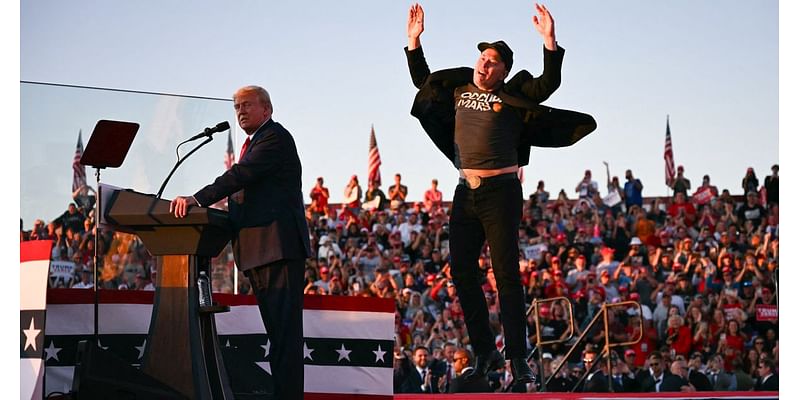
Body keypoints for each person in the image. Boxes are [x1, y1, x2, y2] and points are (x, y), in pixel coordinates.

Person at [404, 2, 594, 385]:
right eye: (481, 58)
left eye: (491, 62)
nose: (483, 65)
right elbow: (423, 82)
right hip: (465, 191)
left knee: (506, 275)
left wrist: (550, 42)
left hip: (501, 192)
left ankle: (518, 357)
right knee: (460, 271)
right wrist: (413, 41)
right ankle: (486, 351)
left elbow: (546, 85)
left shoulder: (512, 94)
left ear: (503, 70)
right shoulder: (458, 89)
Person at [170, 85, 311, 400]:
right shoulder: (255, 143)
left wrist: (198, 198)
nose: (241, 111)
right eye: (236, 107)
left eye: (247, 105)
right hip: (260, 253)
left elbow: (240, 175)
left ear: (267, 109)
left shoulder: (274, 138)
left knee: (285, 338)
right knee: (278, 336)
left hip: (278, 251)